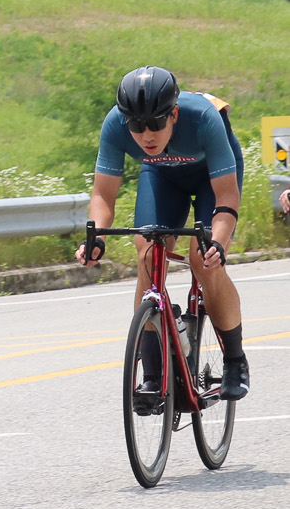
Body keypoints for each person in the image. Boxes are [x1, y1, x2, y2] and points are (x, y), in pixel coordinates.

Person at [73, 66, 249, 400]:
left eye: (155, 123)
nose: (146, 135)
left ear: (174, 114)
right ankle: (153, 373)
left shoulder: (204, 118)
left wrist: (218, 243)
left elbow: (226, 197)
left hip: (211, 179)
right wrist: (97, 240)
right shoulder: (115, 124)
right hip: (162, 175)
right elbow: (103, 196)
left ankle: (235, 361)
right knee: (148, 254)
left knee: (204, 260)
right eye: (137, 126)